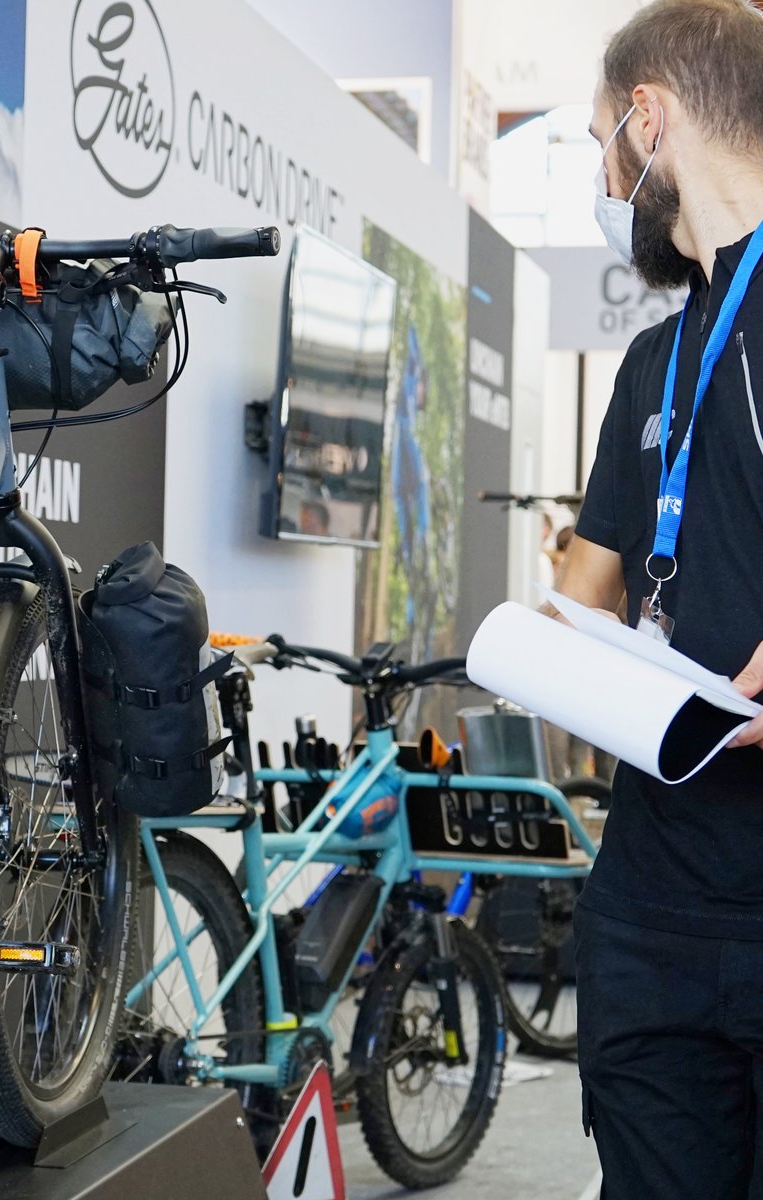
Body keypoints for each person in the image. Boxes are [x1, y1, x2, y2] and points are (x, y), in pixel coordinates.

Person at [550, 3, 763, 1194]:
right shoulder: (654, 358)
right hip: (651, 921)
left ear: (652, 117)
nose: (603, 176)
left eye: (599, 143)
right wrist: (543, 634)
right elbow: (589, 588)